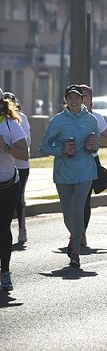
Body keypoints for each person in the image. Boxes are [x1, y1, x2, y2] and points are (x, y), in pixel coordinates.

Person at [40, 85, 99, 268]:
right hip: (63, 171)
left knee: (78, 208)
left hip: (85, 170)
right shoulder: (57, 121)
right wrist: (62, 149)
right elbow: (44, 146)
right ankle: (75, 235)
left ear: (83, 100)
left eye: (77, 98)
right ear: (66, 101)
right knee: (67, 214)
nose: (74, 101)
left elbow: (96, 144)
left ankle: (75, 253)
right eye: (70, 98)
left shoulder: (90, 120)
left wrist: (92, 146)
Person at [0, 96, 29, 291]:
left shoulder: (10, 125)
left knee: (2, 228)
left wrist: (6, 147)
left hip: (8, 186)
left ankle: (5, 272)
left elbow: (24, 154)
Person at [77, 85, 107, 247]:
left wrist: (94, 140)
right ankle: (74, 229)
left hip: (90, 162)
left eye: (84, 96)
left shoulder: (97, 118)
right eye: (78, 96)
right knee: (71, 201)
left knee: (84, 200)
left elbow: (106, 139)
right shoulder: (66, 117)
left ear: (91, 99)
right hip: (70, 163)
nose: (81, 99)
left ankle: (80, 232)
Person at [4, 92, 31, 245]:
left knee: (19, 198)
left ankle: (22, 228)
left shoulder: (21, 119)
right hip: (6, 166)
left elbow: (26, 142)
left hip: (20, 166)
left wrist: (8, 146)